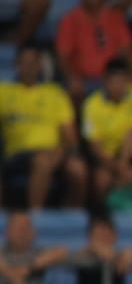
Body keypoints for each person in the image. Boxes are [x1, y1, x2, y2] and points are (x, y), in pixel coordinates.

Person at [0, 46, 87, 209]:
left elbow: (70, 136)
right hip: (17, 155)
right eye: (24, 63)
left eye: (32, 63)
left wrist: (59, 153)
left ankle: (73, 216)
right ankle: (36, 219)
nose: (28, 67)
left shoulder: (55, 93)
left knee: (78, 169)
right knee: (42, 161)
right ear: (16, 65)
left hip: (54, 152)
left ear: (40, 65)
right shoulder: (3, 92)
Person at [81, 59, 132, 211]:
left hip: (130, 157)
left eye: (122, 81)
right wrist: (115, 168)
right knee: (101, 182)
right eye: (114, 82)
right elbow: (94, 144)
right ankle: (102, 219)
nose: (118, 86)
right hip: (105, 160)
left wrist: (123, 166)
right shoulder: (91, 104)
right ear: (105, 82)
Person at [54, 0, 132, 101]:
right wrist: (72, 78)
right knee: (71, 91)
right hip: (82, 81)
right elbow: (62, 57)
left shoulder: (115, 17)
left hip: (113, 80)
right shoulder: (69, 20)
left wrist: (130, 76)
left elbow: (127, 51)